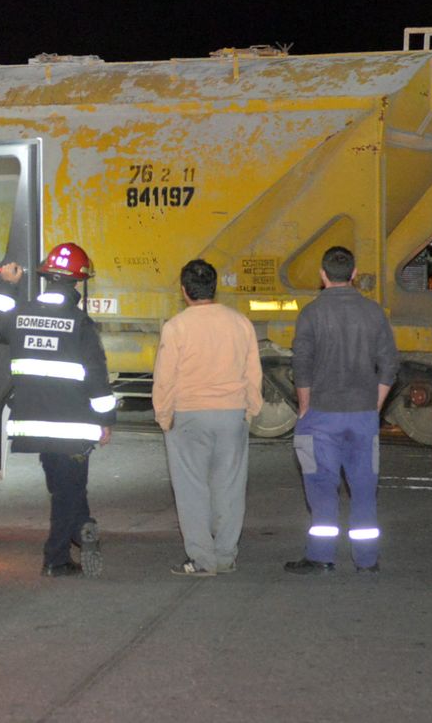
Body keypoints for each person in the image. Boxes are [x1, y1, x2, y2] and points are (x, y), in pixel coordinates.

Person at [0, 242, 116, 578]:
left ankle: (82, 526)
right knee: (68, 490)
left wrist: (7, 285)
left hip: (34, 424)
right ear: (78, 283)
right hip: (73, 427)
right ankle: (56, 557)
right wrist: (105, 420)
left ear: (46, 277)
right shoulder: (80, 324)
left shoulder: (21, 315)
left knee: (64, 486)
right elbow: (97, 379)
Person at [284, 246, 398, 575]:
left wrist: (305, 406)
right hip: (362, 415)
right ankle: (366, 560)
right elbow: (389, 364)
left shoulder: (311, 313)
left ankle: (321, 557)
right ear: (354, 273)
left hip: (320, 415)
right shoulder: (373, 312)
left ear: (322, 275)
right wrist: (374, 405)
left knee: (321, 487)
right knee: (364, 488)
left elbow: (301, 364)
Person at [153, 259, 263, 576]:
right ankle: (226, 555)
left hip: (188, 416)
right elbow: (253, 372)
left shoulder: (176, 327)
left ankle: (202, 560)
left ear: (184, 291)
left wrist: (164, 415)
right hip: (232, 414)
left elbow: (165, 378)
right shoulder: (240, 323)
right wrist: (250, 410)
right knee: (229, 486)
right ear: (215, 288)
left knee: (191, 490)